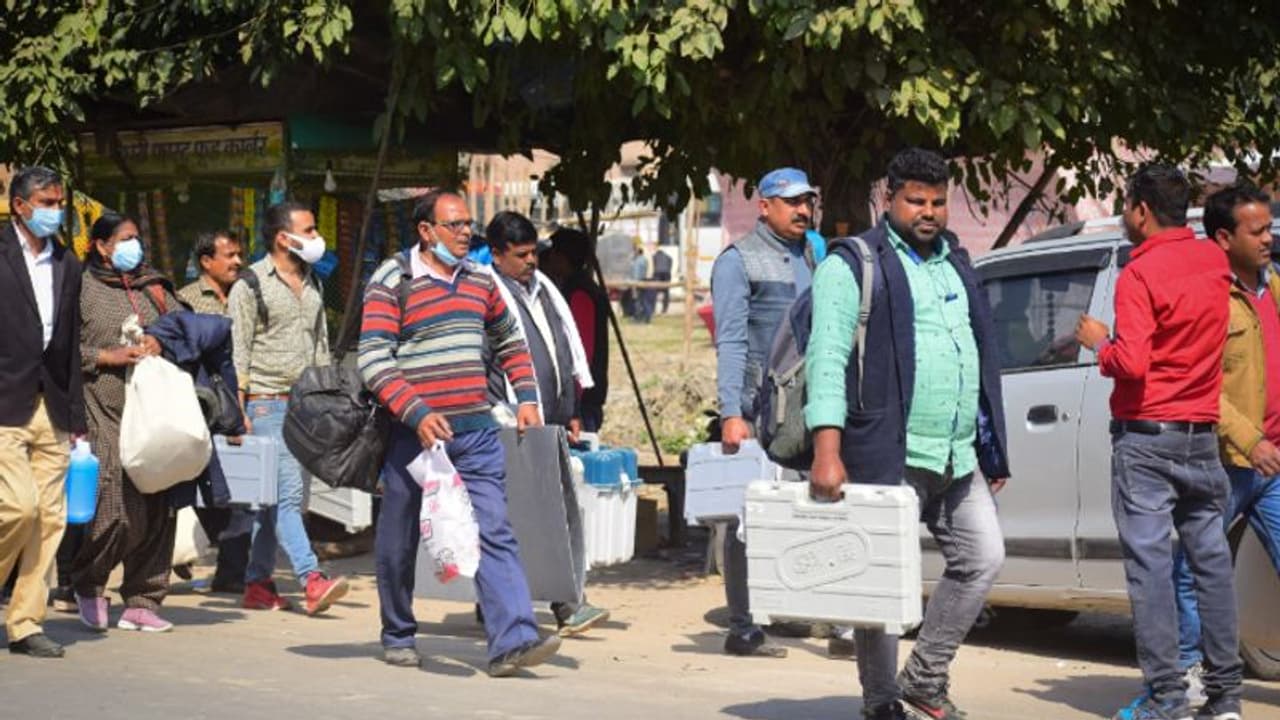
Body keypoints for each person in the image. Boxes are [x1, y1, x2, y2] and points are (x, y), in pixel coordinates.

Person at [806, 148, 1011, 720]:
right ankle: (880, 701)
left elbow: (976, 354)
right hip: (885, 449)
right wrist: (828, 451)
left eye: (938, 202)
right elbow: (825, 359)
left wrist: (990, 448)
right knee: (880, 583)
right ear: (888, 199)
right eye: (916, 201)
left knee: (984, 557)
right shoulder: (853, 264)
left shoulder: (954, 262)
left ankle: (923, 676)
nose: (929, 212)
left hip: (954, 451)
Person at [358, 190, 561, 676]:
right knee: (399, 535)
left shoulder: (479, 279)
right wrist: (416, 411)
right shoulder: (394, 278)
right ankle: (398, 632)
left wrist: (527, 398)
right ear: (426, 231)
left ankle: (512, 639)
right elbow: (373, 358)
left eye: (468, 224)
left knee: (494, 528)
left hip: (476, 431)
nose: (466, 233)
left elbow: (509, 339)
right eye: (454, 225)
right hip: (414, 434)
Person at [1075, 164, 1241, 720]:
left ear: (1140, 210)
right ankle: (1226, 698)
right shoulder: (1214, 262)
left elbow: (1132, 361)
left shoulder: (1139, 273)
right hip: (1201, 435)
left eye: (1125, 207)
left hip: (1148, 437)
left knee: (1150, 571)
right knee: (1212, 566)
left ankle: (1167, 697)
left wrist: (1101, 343)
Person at [710, 166, 825, 659]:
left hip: (809, 404)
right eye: (792, 202)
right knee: (748, 515)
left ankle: (796, 606)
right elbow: (731, 340)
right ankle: (743, 626)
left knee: (809, 504)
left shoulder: (816, 252)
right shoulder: (738, 261)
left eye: (807, 202)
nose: (803, 210)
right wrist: (730, 411)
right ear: (764, 206)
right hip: (760, 407)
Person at [485, 211, 611, 637]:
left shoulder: (546, 292)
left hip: (553, 420)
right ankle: (549, 603)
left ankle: (564, 600)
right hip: (510, 420)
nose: (531, 262)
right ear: (497, 254)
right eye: (520, 255)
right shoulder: (486, 295)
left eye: (533, 253)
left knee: (557, 513)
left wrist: (572, 406)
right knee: (520, 518)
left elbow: (564, 350)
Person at [227, 202, 349, 616]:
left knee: (275, 500)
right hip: (266, 404)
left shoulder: (313, 281)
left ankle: (257, 583)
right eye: (310, 230)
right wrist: (237, 410)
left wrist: (328, 397)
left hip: (306, 406)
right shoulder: (250, 285)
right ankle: (312, 579)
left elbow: (320, 345)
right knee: (287, 494)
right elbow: (238, 351)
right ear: (284, 237)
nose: (317, 238)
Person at [71, 212, 181, 634]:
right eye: (125, 238)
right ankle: (89, 582)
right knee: (114, 505)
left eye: (138, 238)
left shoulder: (153, 287)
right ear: (101, 246)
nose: (136, 246)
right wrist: (104, 356)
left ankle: (143, 598)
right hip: (100, 407)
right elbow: (59, 345)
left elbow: (181, 326)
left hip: (154, 412)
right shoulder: (80, 287)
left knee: (158, 503)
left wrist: (161, 340)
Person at [0, 166, 85, 657]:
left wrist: (76, 417)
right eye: (46, 202)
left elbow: (69, 345)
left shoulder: (66, 264)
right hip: (5, 400)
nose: (55, 210)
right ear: (20, 205)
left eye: (59, 201)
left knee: (49, 520)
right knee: (17, 508)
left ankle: (26, 622)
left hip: (49, 403)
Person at [177, 231, 252, 594]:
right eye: (229, 256)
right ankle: (178, 551)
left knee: (242, 489)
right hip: (201, 402)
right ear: (206, 261)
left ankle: (232, 574)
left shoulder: (247, 295)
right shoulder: (186, 300)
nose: (237, 262)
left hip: (239, 402)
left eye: (240, 255)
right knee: (195, 482)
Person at [542, 228, 610, 433]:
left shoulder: (580, 293)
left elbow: (581, 349)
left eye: (554, 253)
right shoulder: (570, 289)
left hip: (581, 403)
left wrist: (573, 404)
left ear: (563, 257)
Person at [628, 243, 652, 322]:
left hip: (637, 282)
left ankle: (638, 318)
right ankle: (646, 317)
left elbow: (636, 273)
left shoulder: (638, 261)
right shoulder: (643, 259)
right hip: (642, 280)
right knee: (643, 300)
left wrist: (634, 283)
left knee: (638, 300)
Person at [651, 244, 673, 315]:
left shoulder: (654, 257)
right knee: (666, 292)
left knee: (654, 292)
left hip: (657, 274)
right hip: (667, 274)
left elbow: (653, 267)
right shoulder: (668, 257)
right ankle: (664, 309)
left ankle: (653, 309)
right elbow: (670, 266)